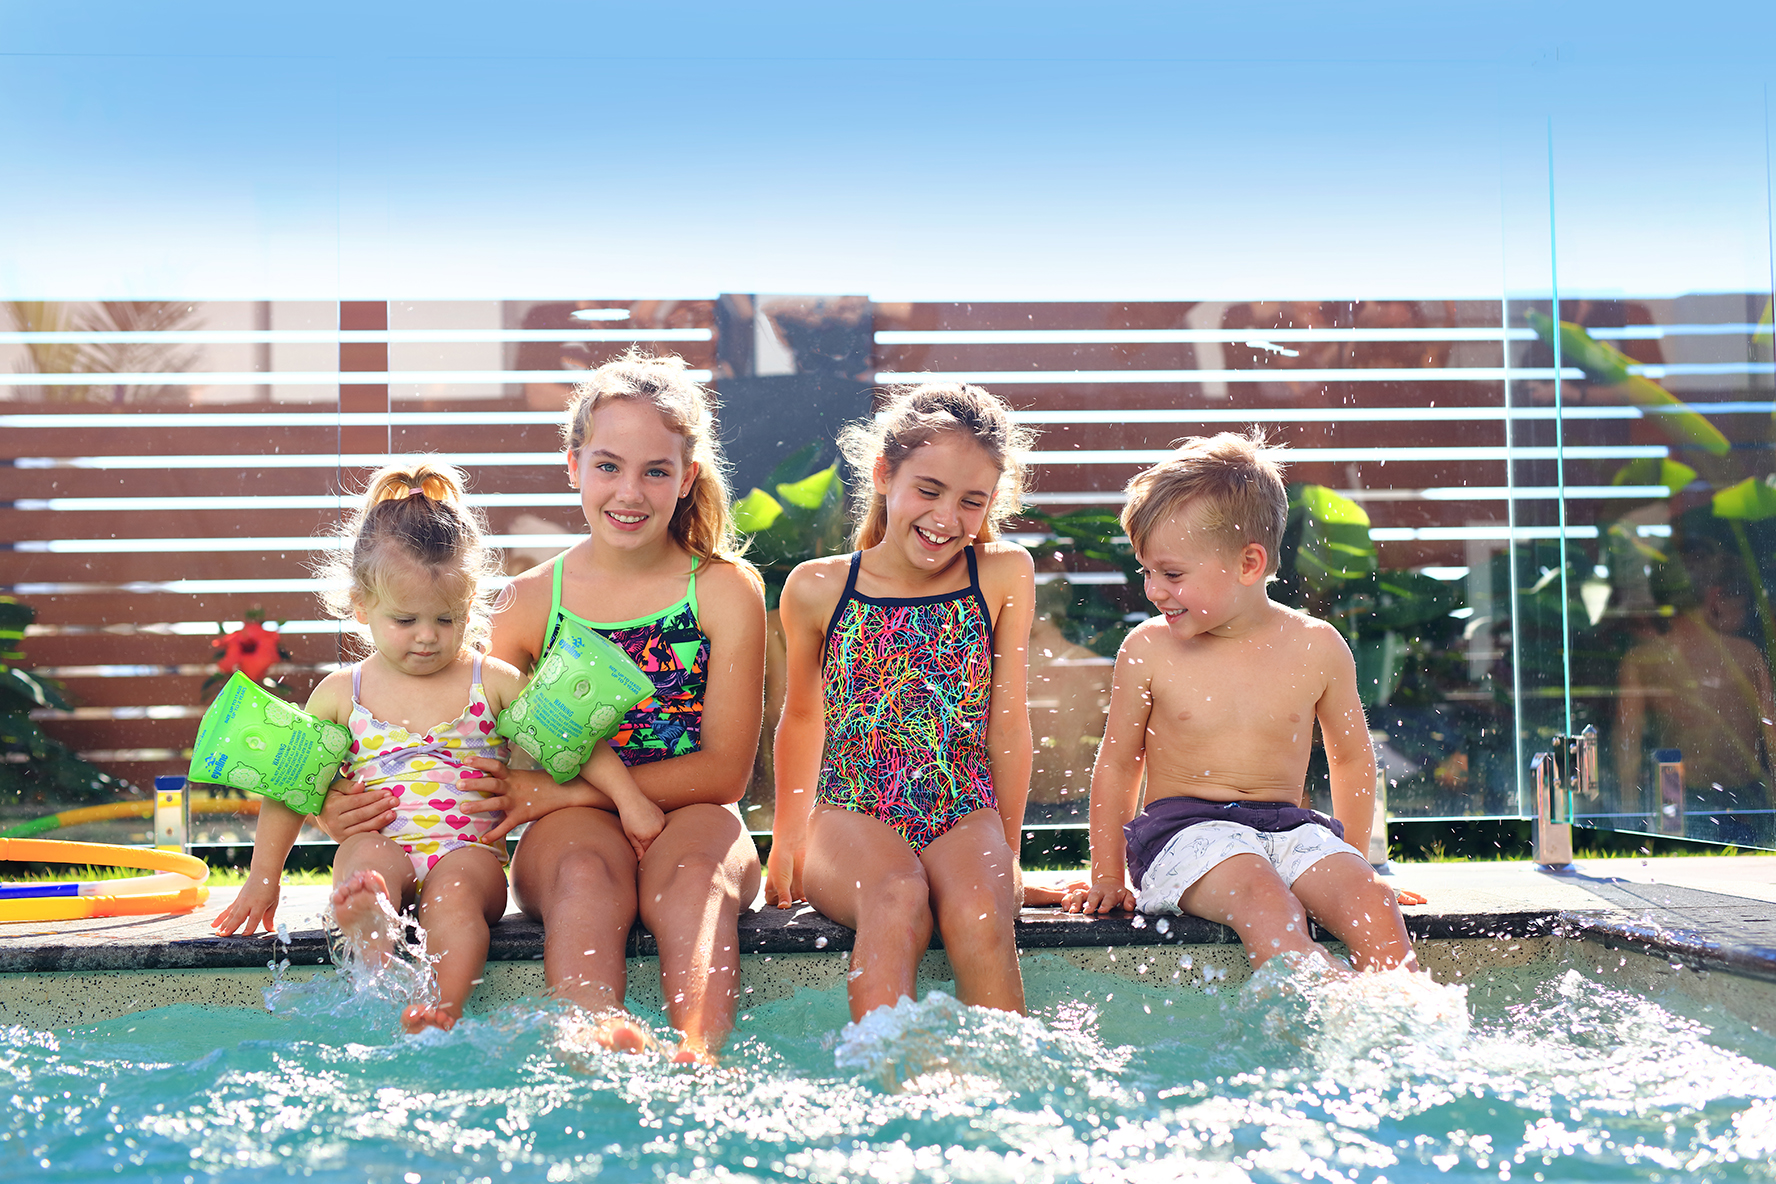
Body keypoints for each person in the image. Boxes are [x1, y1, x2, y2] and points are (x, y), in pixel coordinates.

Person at [389, 353, 766, 1065]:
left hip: (690, 814)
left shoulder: (721, 590)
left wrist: (561, 787)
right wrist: (349, 809)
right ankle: (596, 1034)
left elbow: (722, 774)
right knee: (582, 880)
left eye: (657, 470)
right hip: (570, 828)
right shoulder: (530, 603)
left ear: (687, 478)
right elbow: (465, 750)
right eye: (608, 466)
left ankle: (698, 1052)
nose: (631, 492)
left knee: (696, 882)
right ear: (573, 466)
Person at [213, 461, 663, 1033]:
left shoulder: (490, 680)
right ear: (361, 607)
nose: (427, 636)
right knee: (365, 864)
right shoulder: (340, 693)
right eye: (405, 620)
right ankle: (374, 940)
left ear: (470, 606)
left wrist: (630, 800)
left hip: (466, 852)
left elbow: (575, 739)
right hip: (385, 846)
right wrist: (263, 877)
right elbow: (287, 787)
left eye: (446, 619)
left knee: (453, 898)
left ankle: (442, 1006)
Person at [1063, 430, 1416, 976]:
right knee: (1264, 898)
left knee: (1373, 904)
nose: (1153, 590)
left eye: (1172, 574)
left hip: (1292, 828)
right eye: (1147, 571)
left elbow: (1350, 758)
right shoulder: (1149, 649)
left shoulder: (1317, 645)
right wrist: (1107, 875)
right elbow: (1117, 762)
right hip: (1183, 834)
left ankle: (1407, 1024)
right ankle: (1327, 997)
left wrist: (1356, 863)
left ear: (1249, 564)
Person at [765, 382, 1038, 1021]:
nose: (947, 517)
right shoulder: (818, 588)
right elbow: (803, 718)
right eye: (929, 490)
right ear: (885, 473)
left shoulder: (1002, 575)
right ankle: (887, 1089)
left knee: (978, 907)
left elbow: (1008, 722)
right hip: (852, 812)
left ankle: (1005, 1096)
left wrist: (1004, 849)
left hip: (962, 807)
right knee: (897, 896)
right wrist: (785, 844)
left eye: (972, 501)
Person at [1615, 539, 1776, 846]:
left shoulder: (1643, 661)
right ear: (1714, 595)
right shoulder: (1747, 655)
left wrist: (1628, 821)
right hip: (1746, 802)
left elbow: (1628, 749)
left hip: (1678, 802)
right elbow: (1773, 739)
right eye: (1733, 593)